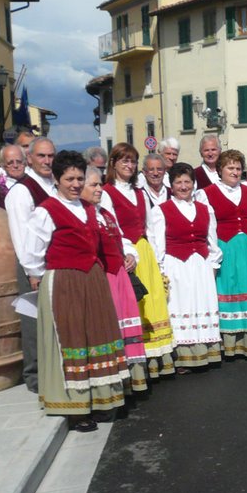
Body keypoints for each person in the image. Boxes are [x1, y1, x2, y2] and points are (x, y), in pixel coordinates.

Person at [21, 150, 127, 432]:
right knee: (71, 340)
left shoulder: (89, 209)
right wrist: (43, 276)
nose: (76, 184)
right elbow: (31, 254)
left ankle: (100, 400)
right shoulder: (46, 211)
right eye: (69, 178)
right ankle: (75, 408)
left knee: (95, 336)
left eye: (80, 178)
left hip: (92, 280)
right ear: (56, 179)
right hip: (64, 281)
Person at [101, 144, 174, 379]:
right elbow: (111, 227)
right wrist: (126, 253)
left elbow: (151, 228)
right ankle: (135, 364)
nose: (129, 166)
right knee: (133, 307)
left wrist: (157, 260)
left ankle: (155, 360)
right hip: (124, 254)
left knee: (152, 304)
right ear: (113, 164)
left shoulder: (140, 192)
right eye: (124, 161)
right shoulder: (106, 192)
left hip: (145, 252)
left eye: (132, 161)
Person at [196, 150, 247, 358]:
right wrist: (215, 254)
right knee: (230, 291)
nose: (235, 172)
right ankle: (232, 345)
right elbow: (209, 228)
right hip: (226, 249)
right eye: (230, 168)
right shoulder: (207, 193)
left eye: (238, 168)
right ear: (220, 170)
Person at [148, 162, 223, 369]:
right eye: (178, 182)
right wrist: (161, 270)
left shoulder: (205, 209)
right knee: (181, 306)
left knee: (202, 304)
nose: (183, 186)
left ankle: (206, 353)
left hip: (200, 264)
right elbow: (158, 245)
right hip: (176, 266)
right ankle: (183, 357)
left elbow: (212, 240)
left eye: (187, 182)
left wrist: (213, 264)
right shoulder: (160, 210)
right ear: (171, 185)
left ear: (194, 184)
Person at [81, 166, 149, 391]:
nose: (100, 189)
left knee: (125, 327)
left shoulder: (105, 213)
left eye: (100, 184)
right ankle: (110, 384)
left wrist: (130, 254)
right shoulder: (83, 215)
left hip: (119, 276)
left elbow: (121, 238)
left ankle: (128, 382)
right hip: (103, 278)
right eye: (94, 185)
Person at [5, 136, 56, 392]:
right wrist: (32, 271)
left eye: (50, 156)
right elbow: (20, 235)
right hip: (33, 265)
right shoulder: (21, 191)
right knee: (33, 321)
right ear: (30, 159)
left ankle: (54, 369)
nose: (47, 161)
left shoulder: (54, 185)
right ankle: (35, 376)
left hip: (55, 262)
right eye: (41, 156)